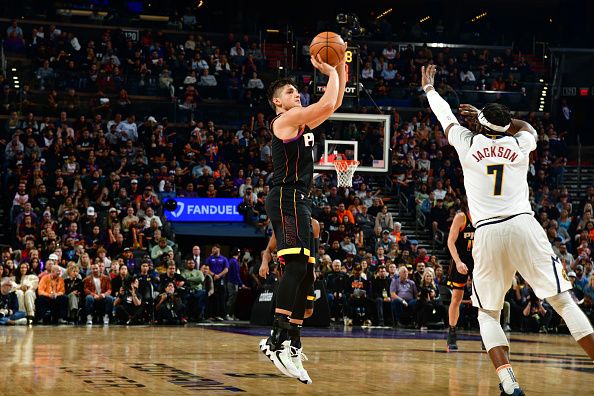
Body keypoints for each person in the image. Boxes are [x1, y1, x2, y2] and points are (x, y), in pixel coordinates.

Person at [421, 64, 594, 396]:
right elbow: (526, 126)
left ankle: (509, 381)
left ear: (479, 124)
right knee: (563, 300)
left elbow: (445, 117)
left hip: (487, 232)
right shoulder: (520, 144)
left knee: (488, 313)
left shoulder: (467, 142)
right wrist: (496, 121)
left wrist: (430, 89)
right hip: (523, 225)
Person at [259, 48, 347, 384]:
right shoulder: (284, 120)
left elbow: (334, 102)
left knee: (307, 276)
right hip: (285, 197)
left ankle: (293, 342)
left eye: (297, 90)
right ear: (278, 103)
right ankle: (277, 339)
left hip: (300, 200)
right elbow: (327, 103)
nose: (296, 93)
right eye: (289, 92)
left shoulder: (303, 120)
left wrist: (339, 66)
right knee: (295, 267)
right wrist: (330, 68)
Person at [446, 207, 475, 351]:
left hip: (478, 259)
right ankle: (452, 331)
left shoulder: (487, 218)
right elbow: (450, 242)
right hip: (461, 258)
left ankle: (486, 335)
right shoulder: (462, 217)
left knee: (484, 299)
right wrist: (457, 262)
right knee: (457, 297)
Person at [205, 245, 228, 321]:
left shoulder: (224, 258)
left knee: (221, 297)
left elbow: (226, 269)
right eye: (212, 248)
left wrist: (219, 275)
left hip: (220, 280)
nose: (213, 250)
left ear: (219, 249)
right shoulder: (209, 259)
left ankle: (221, 315)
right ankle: (210, 315)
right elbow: (206, 269)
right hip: (211, 280)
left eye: (214, 248)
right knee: (211, 297)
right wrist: (214, 275)